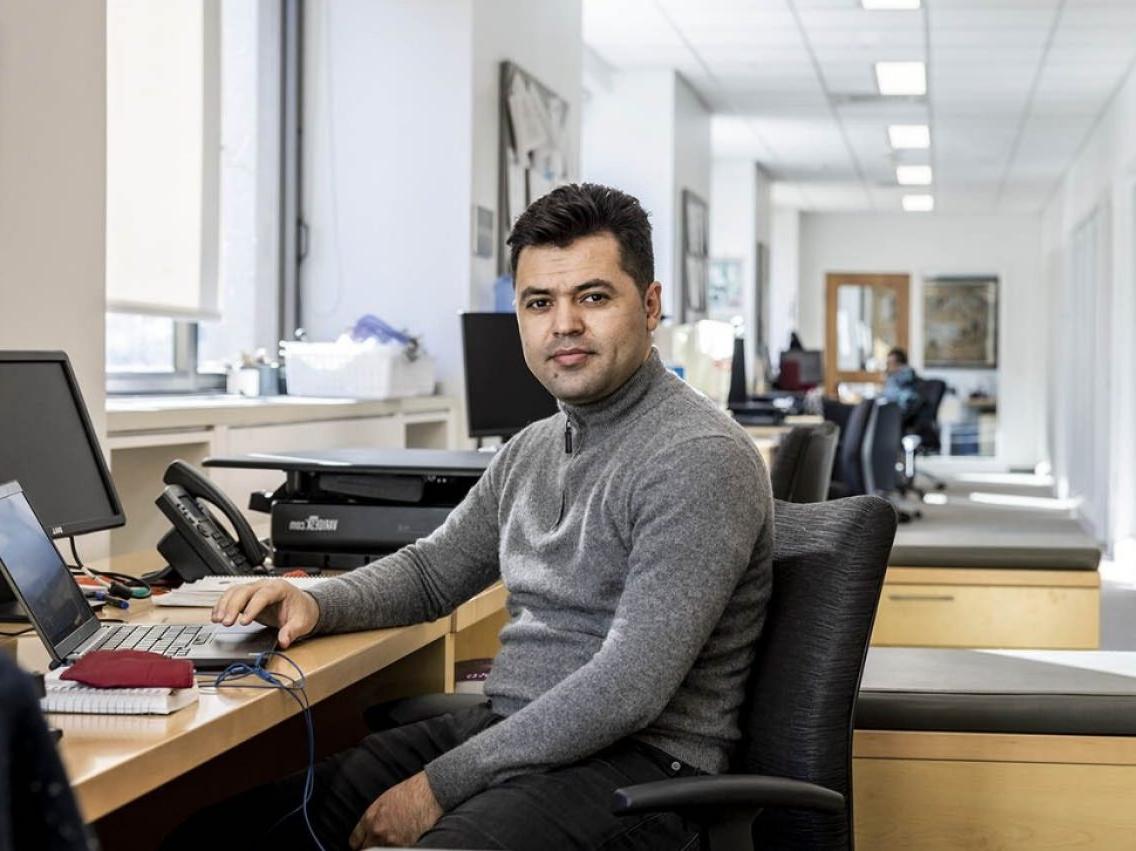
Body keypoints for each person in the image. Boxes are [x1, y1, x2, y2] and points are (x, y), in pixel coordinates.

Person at [163, 184, 773, 850]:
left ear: (650, 305)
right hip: (514, 730)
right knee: (217, 834)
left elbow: (626, 689)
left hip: (641, 766)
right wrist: (318, 603)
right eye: (539, 302)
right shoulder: (534, 448)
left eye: (593, 297)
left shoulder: (698, 456)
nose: (563, 324)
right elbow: (433, 572)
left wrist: (437, 786)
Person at [882, 347, 921, 418]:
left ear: (900, 363)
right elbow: (887, 393)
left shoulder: (906, 373)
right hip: (893, 408)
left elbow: (893, 394)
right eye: (888, 363)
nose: (889, 366)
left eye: (892, 363)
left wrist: (892, 374)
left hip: (903, 411)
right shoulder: (892, 375)